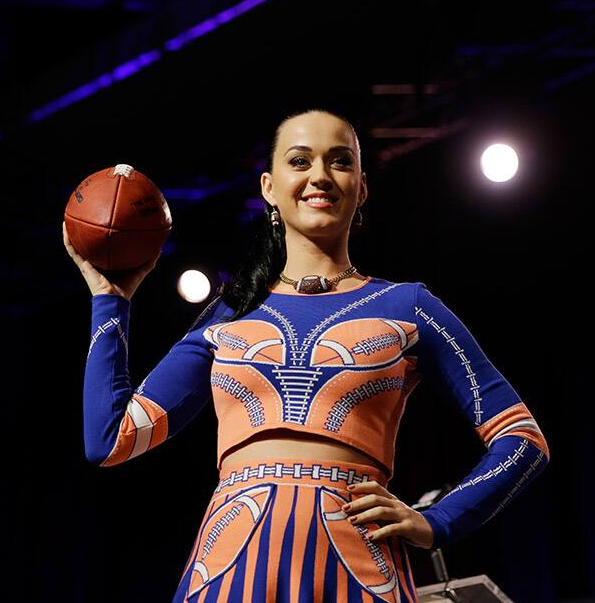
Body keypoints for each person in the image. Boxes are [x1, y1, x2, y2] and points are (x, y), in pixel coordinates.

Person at [63, 108, 551, 602]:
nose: (320, 175)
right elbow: (109, 439)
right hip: (232, 567)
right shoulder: (231, 312)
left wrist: (437, 521)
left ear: (361, 187)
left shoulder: (409, 305)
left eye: (340, 162)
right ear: (270, 188)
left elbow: (522, 439)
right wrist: (111, 301)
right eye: (300, 161)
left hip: (358, 564)